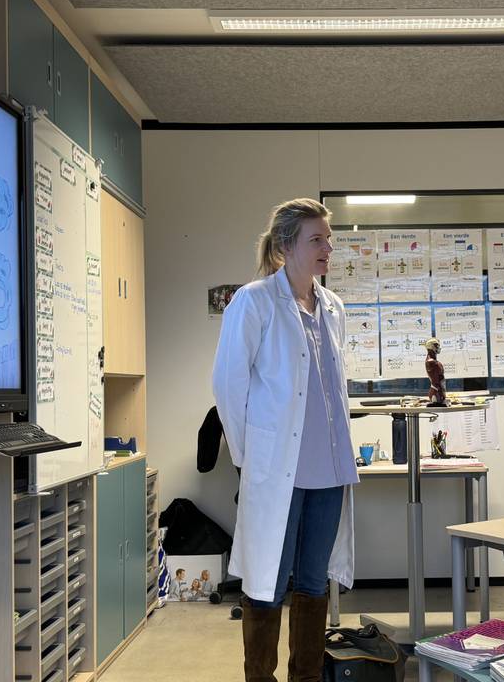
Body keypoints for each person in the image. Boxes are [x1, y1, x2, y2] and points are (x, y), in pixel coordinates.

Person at [212, 198, 358, 682]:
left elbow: (333, 390)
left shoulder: (332, 307)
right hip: (278, 471)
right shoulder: (254, 302)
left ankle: (307, 677)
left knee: (314, 583)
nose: (328, 248)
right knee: (268, 583)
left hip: (330, 473)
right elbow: (228, 387)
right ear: (285, 247)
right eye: (317, 239)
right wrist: (251, 458)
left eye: (328, 239)